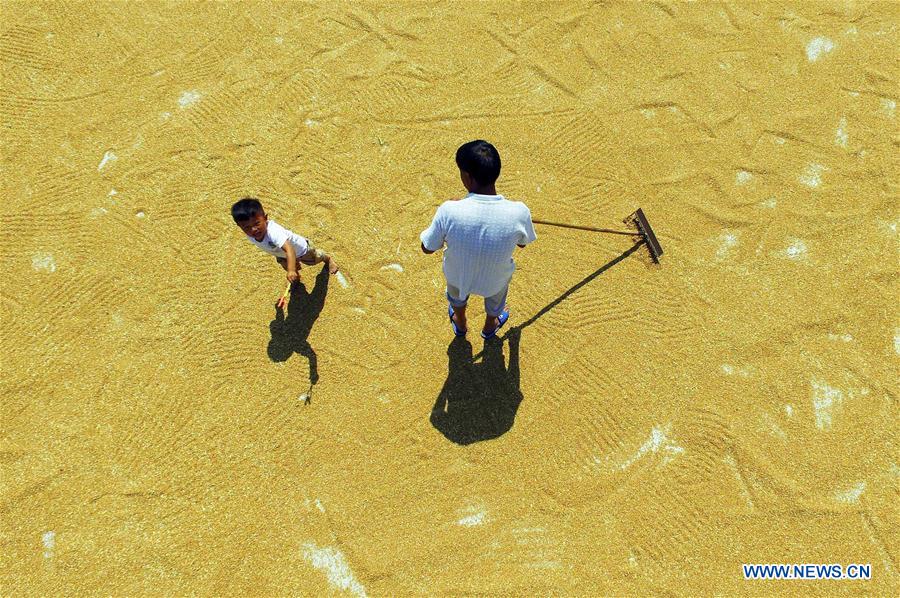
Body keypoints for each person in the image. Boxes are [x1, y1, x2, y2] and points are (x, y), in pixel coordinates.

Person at [420, 140, 536, 339]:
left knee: (456, 298)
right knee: (496, 301)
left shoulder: (449, 210)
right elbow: (523, 244)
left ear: (467, 177)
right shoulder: (519, 212)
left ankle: (461, 322)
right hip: (495, 279)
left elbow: (427, 247)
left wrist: (453, 211)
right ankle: (490, 327)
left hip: (459, 276)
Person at [231, 198, 339, 290]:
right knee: (287, 267)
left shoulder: (273, 232)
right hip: (280, 254)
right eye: (247, 227)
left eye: (257, 223)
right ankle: (295, 278)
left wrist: (292, 269)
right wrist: (291, 269)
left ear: (265, 218)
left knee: (314, 259)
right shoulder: (250, 234)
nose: (253, 229)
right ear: (239, 226)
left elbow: (289, 249)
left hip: (300, 249)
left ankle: (327, 259)